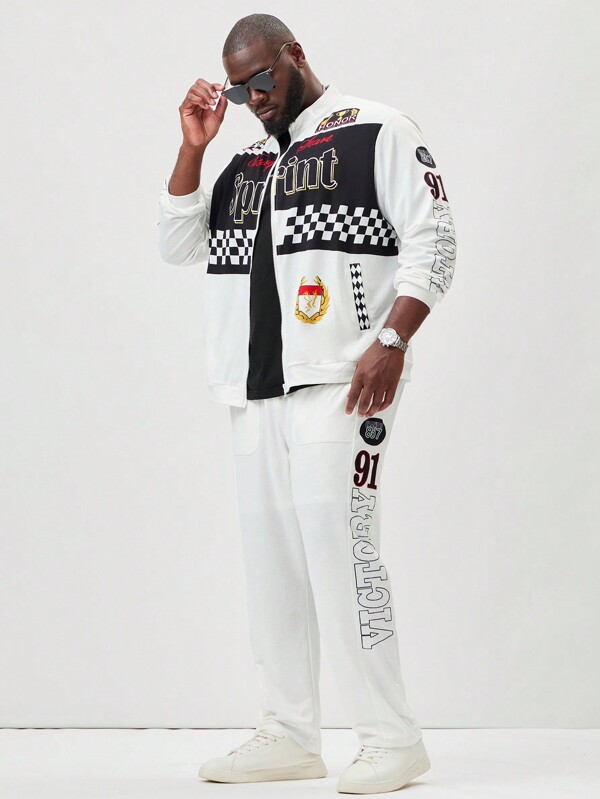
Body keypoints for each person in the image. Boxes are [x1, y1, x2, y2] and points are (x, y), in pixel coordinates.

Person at [157, 13, 456, 795]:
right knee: (273, 567)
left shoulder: (374, 129)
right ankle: (289, 733)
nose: (254, 98)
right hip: (253, 389)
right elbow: (178, 244)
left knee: (341, 551)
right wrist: (194, 147)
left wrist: (392, 339)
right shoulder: (245, 164)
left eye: (263, 79)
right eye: (239, 89)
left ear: (295, 56)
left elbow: (436, 240)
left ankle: (392, 738)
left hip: (343, 381)